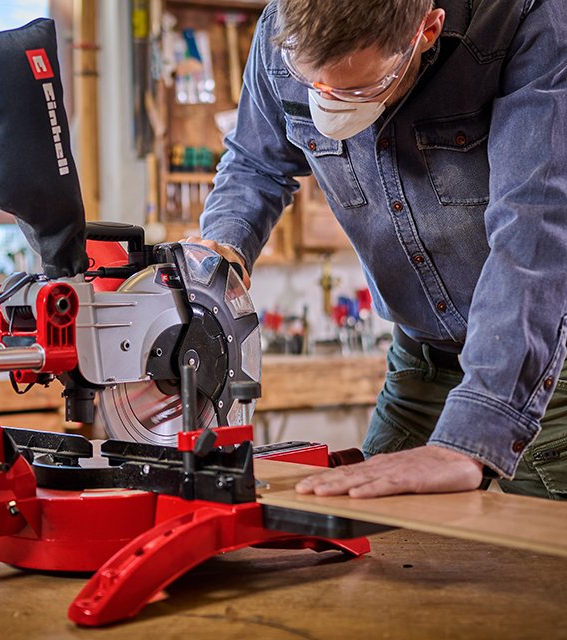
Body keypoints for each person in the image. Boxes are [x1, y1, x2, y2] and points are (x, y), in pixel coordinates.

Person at [187, 0, 567, 499]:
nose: (327, 104)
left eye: (356, 89)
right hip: (422, 359)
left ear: (426, 31)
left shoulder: (531, 20)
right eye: (312, 85)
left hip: (549, 369)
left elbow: (535, 224)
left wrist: (469, 442)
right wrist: (223, 253)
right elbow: (256, 163)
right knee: (369, 533)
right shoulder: (282, 29)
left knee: (537, 567)